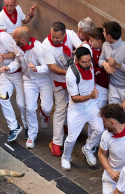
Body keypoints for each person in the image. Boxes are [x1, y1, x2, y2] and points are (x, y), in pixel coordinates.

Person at [1, 26, 53, 149]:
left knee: (47, 108)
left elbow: (47, 67)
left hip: (43, 80)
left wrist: (37, 69)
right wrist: (10, 67)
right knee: (29, 108)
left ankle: (45, 115)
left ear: (22, 39)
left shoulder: (38, 48)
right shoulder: (17, 47)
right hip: (28, 80)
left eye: (14, 36)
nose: (12, 37)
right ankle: (31, 135)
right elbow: (18, 62)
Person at [41, 22, 83, 157]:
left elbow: (82, 48)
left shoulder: (71, 35)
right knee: (60, 109)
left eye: (57, 37)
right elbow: (53, 68)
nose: (54, 39)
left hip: (74, 80)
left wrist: (79, 52)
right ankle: (56, 142)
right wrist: (70, 73)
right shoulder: (46, 45)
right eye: (53, 36)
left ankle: (67, 126)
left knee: (74, 106)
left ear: (64, 34)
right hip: (59, 81)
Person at [62, 46, 104, 170]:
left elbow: (85, 44)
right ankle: (66, 157)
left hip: (91, 105)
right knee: (72, 138)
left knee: (100, 129)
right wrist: (91, 95)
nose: (87, 64)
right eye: (83, 62)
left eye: (89, 61)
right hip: (77, 109)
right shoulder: (71, 74)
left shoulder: (89, 61)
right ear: (76, 60)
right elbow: (74, 98)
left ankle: (88, 149)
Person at [0, 0, 37, 83]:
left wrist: (31, 15)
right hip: (8, 44)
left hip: (20, 41)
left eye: (11, 5)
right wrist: (19, 35)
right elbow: (2, 35)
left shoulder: (18, 9)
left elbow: (24, 20)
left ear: (16, 4)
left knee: (31, 47)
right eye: (6, 5)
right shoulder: (1, 17)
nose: (8, 8)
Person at [98, 21, 125, 108]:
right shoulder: (105, 45)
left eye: (104, 32)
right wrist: (104, 64)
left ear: (109, 36)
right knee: (113, 114)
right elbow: (100, 59)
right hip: (112, 87)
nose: (102, 34)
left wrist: (118, 65)